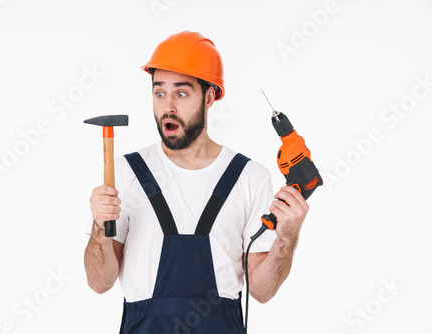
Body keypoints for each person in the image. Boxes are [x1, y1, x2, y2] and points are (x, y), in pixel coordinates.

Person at [84, 31, 309, 334]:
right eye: (159, 92)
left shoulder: (249, 177)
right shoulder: (125, 172)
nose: (168, 107)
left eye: (181, 93)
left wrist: (287, 238)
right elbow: (100, 283)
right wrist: (100, 227)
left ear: (211, 96)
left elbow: (263, 291)